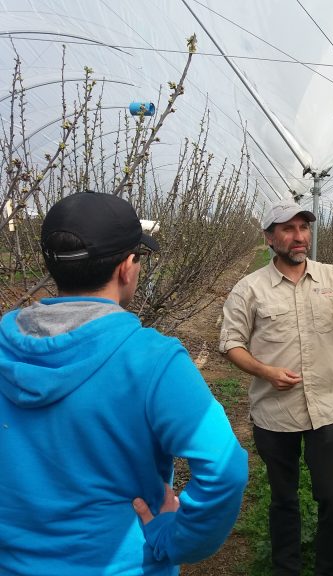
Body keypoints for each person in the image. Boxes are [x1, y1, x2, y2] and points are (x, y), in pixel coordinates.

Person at [0, 191, 248, 575]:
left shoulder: (5, 350)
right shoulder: (151, 360)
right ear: (127, 267)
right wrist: (174, 538)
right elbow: (225, 468)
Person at [219, 200, 333, 576]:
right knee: (283, 499)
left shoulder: (331, 277)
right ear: (269, 237)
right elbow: (230, 343)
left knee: (332, 498)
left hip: (326, 410)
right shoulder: (250, 289)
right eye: (288, 229)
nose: (299, 237)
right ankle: (286, 568)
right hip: (275, 414)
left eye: (303, 228)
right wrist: (266, 372)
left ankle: (329, 569)